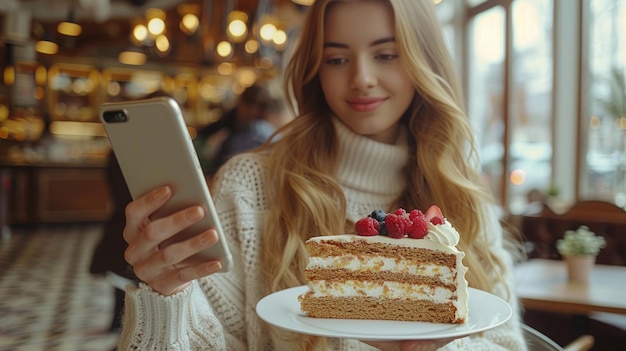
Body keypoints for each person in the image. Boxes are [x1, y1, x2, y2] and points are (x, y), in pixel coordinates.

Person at [118, 1, 528, 350]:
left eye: (385, 54)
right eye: (337, 59)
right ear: (315, 70)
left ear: (425, 63)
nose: (361, 78)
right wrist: (166, 294)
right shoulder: (248, 189)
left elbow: (507, 341)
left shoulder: (461, 192)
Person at [195, 80, 285, 176]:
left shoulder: (260, 131)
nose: (252, 112)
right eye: (248, 105)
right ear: (240, 102)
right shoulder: (231, 121)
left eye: (257, 107)